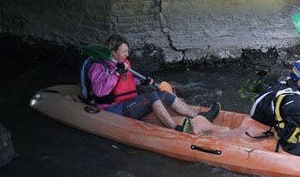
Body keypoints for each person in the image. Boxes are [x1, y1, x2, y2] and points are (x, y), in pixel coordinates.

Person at [85, 33, 221, 132]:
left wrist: (144, 82)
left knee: (162, 94)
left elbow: (128, 81)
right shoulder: (98, 67)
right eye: (124, 51)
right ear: (113, 53)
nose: (127, 54)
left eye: (127, 50)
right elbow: (100, 91)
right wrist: (117, 73)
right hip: (112, 109)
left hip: (128, 102)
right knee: (151, 96)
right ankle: (175, 128)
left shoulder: (121, 63)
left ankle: (200, 116)